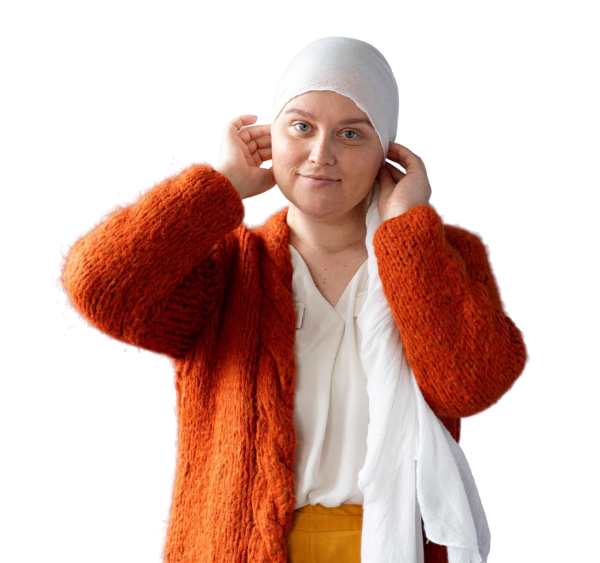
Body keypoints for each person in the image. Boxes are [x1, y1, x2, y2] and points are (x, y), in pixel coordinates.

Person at [58, 35, 529, 563]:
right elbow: (100, 286)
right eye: (301, 126)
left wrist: (407, 235)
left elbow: (471, 388)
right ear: (271, 137)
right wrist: (223, 185)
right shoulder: (224, 268)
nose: (320, 154)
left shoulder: (443, 253)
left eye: (351, 133)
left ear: (387, 153)